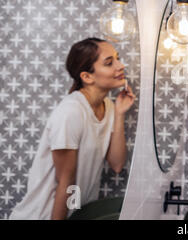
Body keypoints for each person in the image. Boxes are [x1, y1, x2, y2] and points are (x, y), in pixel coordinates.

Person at [9, 37, 135, 220]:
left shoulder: (107, 106)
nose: (121, 65)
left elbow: (116, 164)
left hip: (77, 214)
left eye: (117, 58)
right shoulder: (71, 112)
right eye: (109, 63)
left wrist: (119, 113)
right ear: (87, 76)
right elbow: (65, 182)